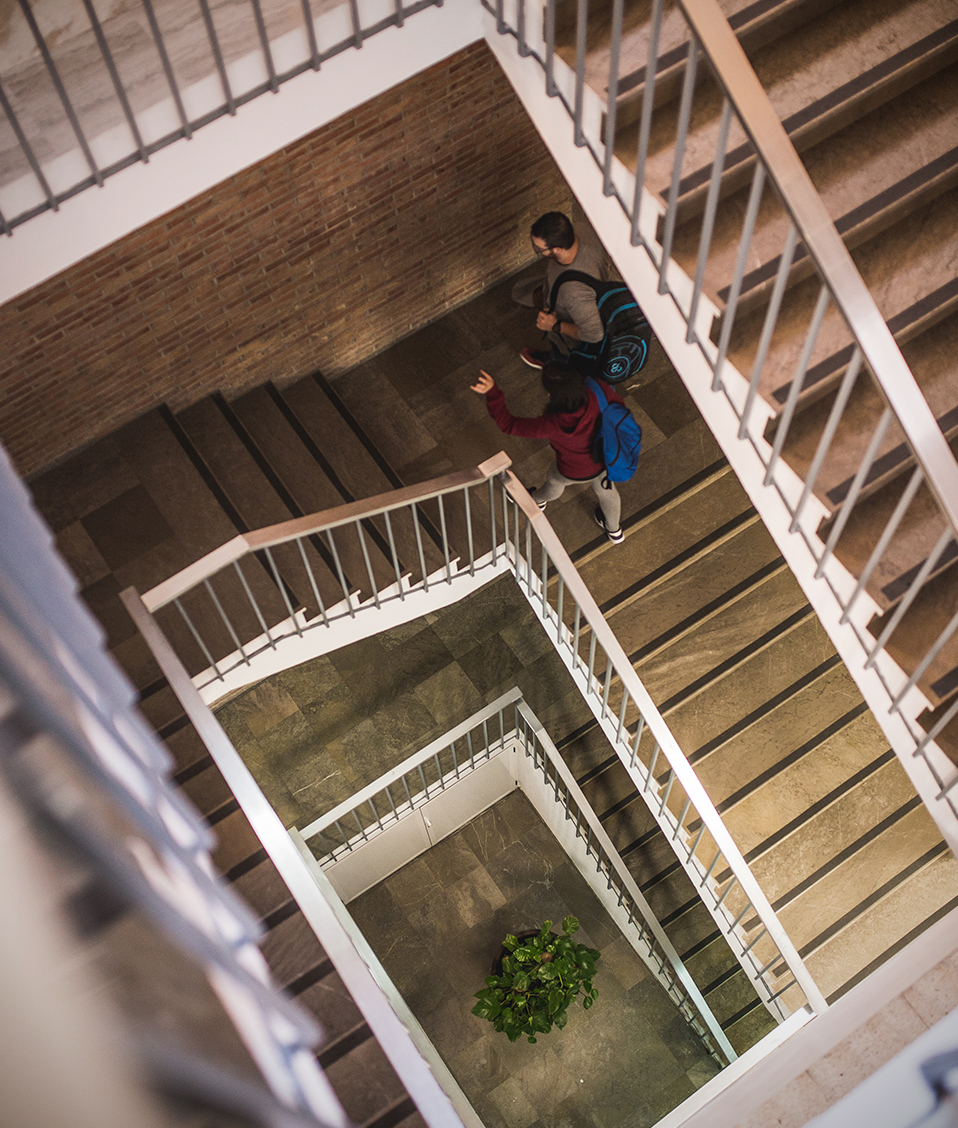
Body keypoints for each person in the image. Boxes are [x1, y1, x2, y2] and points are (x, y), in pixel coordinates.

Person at [470, 361, 624, 544]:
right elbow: (619, 409)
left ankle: (535, 500)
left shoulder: (551, 425)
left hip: (571, 470)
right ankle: (615, 531)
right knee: (607, 491)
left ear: (552, 395)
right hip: (606, 460)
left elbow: (509, 424)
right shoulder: (599, 391)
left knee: (554, 483)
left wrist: (493, 393)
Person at [514, 211, 609, 370]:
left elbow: (594, 334)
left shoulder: (575, 294)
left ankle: (555, 363)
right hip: (565, 301)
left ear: (557, 249)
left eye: (539, 249)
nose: (537, 250)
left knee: (563, 357)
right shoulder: (582, 229)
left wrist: (556, 326)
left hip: (570, 339)